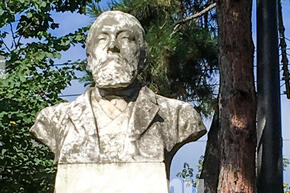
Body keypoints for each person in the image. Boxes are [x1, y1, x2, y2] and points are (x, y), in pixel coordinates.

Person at [30, 11, 206, 167]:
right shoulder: (54, 119)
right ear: (89, 58)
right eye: (102, 39)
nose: (113, 46)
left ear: (143, 56)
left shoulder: (177, 116)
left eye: (125, 38)